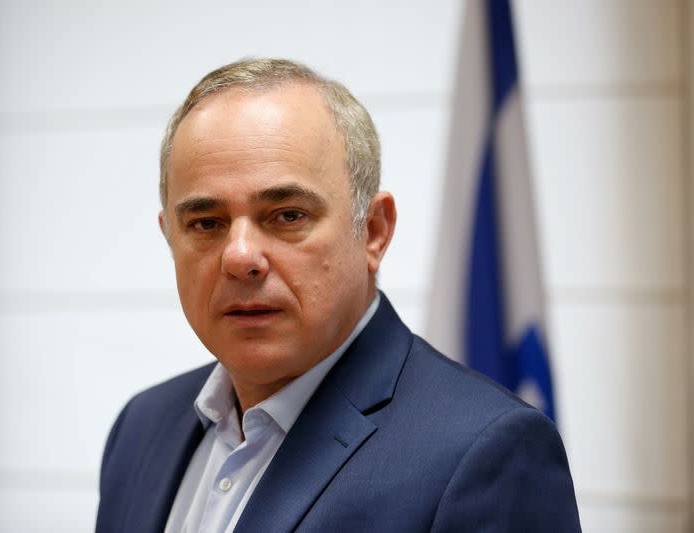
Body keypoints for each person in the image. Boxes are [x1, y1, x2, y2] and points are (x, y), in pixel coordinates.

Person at [95, 58, 581, 533]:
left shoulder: (484, 451)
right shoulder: (140, 429)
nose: (239, 256)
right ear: (169, 238)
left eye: (287, 215)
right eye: (205, 223)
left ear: (372, 231)